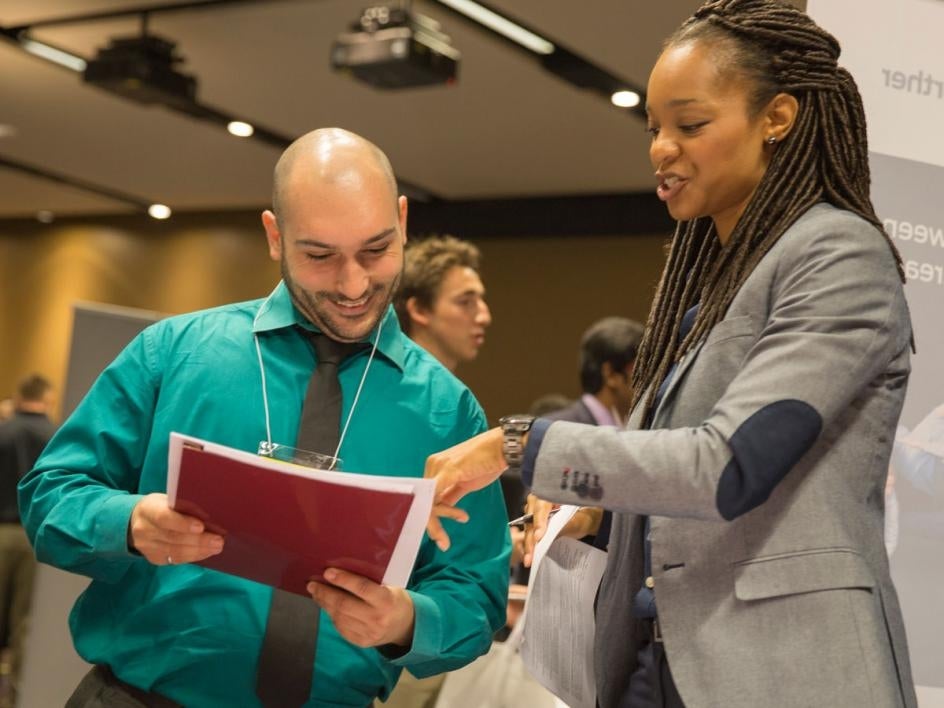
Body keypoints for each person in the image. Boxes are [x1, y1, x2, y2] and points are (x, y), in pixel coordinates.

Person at [423, 1, 917, 706]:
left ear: (777, 118)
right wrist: (602, 514)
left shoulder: (840, 255)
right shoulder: (707, 293)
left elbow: (727, 465)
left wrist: (515, 445)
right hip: (660, 664)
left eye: (691, 125)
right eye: (655, 128)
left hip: (788, 668)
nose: (661, 148)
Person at [18, 128, 510, 707]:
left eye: (376, 250)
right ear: (275, 237)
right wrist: (129, 520)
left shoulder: (449, 412)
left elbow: (475, 594)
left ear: (402, 222)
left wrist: (406, 619)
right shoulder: (174, 353)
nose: (354, 284)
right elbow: (49, 495)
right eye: (320, 256)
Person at [0, 374, 55, 703]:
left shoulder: (3, 431)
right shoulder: (57, 436)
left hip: (0, 530)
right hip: (34, 537)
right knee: (24, 622)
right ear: (47, 398)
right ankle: (15, 697)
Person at [393, 235, 491, 373]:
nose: (485, 318)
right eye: (465, 302)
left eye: (480, 300)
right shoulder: (393, 388)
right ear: (419, 310)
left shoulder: (449, 390)